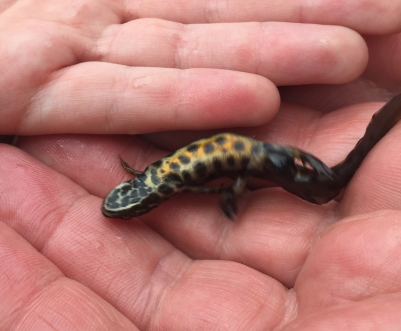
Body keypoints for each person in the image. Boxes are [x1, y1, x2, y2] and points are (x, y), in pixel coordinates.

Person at [1, 0, 401, 329]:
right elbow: (198, 184)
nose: (121, 205)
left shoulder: (172, 186)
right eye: (124, 205)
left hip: (255, 158)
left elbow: (204, 186)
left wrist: (227, 192)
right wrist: (225, 190)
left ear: (147, 202)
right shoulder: (163, 179)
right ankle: (319, 178)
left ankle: (321, 179)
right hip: (256, 154)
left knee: (314, 180)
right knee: (311, 176)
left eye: (125, 205)